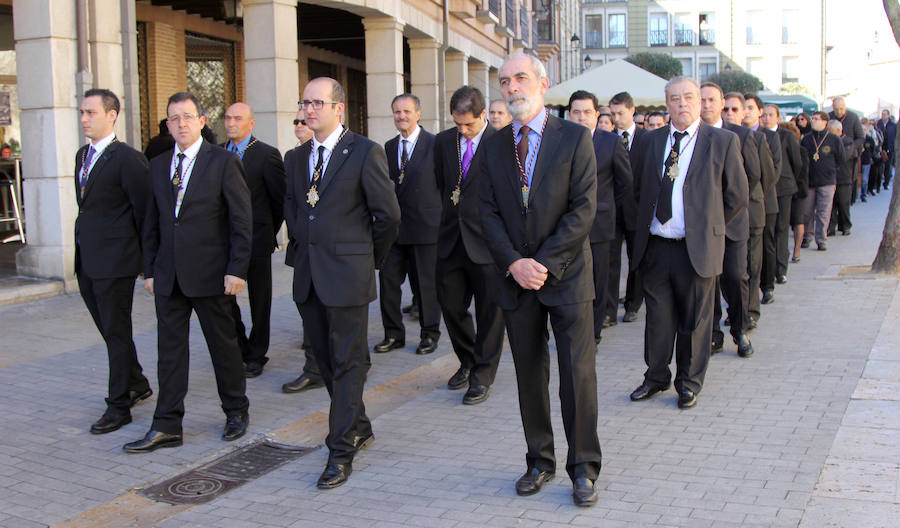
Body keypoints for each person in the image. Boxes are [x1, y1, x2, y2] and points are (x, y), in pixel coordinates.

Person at [478, 53, 601, 507]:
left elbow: (583, 209)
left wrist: (542, 263)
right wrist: (514, 263)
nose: (512, 87)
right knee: (530, 375)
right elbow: (483, 212)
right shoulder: (493, 145)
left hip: (566, 278)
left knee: (577, 376)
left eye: (521, 78)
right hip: (516, 282)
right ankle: (539, 461)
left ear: (543, 83)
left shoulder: (574, 138)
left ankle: (584, 468)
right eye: (505, 80)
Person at [284, 77, 400, 489]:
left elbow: (387, 216)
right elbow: (294, 210)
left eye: (318, 103)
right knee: (327, 361)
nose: (310, 109)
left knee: (348, 360)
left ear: (339, 108)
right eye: (305, 102)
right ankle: (360, 424)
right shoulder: (295, 158)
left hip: (348, 276)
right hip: (310, 277)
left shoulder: (364, 152)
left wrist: (368, 260)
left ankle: (340, 449)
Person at [126, 91, 252, 453]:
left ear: (201, 121)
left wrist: (237, 269)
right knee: (170, 353)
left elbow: (241, 221)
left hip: (212, 274)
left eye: (187, 116)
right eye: (173, 118)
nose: (180, 123)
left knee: (222, 347)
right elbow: (151, 221)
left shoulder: (222, 162)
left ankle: (236, 410)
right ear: (167, 125)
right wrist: (149, 270)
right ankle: (167, 425)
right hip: (168, 276)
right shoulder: (158, 164)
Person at [629, 76, 747, 410]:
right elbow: (637, 189)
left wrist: (707, 225)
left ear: (701, 102)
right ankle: (655, 377)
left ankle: (689, 383)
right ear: (666, 103)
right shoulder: (650, 141)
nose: (682, 104)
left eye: (689, 98)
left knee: (695, 320)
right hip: (656, 245)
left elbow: (736, 195)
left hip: (696, 248)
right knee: (658, 318)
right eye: (675, 98)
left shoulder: (721, 141)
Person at [75, 88, 153, 435]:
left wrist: (146, 265)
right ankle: (136, 382)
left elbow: (145, 215)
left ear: (112, 115)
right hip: (88, 261)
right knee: (109, 331)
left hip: (116, 263)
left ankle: (118, 405)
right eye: (82, 112)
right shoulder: (83, 155)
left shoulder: (128, 159)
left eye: (91, 112)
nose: (84, 119)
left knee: (117, 332)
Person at [434, 86, 504, 405]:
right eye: (457, 124)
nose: (461, 130)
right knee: (450, 304)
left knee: (490, 313)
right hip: (451, 240)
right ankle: (468, 359)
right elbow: (441, 185)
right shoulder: (443, 142)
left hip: (488, 245)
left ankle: (482, 375)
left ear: (483, 115)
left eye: (468, 125)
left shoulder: (502, 145)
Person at [222, 102, 286, 378]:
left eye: (238, 118)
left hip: (257, 239)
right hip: (223, 242)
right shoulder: (217, 153)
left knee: (260, 299)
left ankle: (257, 353)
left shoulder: (266, 155)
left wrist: (267, 232)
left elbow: (278, 200)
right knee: (225, 298)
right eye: (227, 118)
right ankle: (240, 347)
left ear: (251, 123)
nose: (231, 123)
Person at [375, 94, 441, 356]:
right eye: (396, 112)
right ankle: (393, 334)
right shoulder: (388, 147)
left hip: (426, 229)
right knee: (388, 284)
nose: (401, 116)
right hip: (394, 231)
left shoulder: (435, 145)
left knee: (425, 285)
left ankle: (429, 334)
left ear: (418, 113)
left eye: (406, 111)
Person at [568, 90, 633, 346]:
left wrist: (606, 209)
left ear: (596, 115)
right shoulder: (559, 141)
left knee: (597, 282)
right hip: (565, 226)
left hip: (600, 226)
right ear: (569, 114)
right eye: (576, 112)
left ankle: (593, 334)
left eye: (587, 112)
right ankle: (573, 329)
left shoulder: (611, 142)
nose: (582, 117)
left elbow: (625, 184)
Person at [700, 83, 755, 358]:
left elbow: (754, 178)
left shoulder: (741, 135)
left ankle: (740, 328)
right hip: (702, 227)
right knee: (708, 283)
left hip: (732, 222)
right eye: (702, 100)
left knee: (734, 277)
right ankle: (713, 335)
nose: (706, 104)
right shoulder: (691, 136)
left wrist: (725, 215)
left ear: (722, 103)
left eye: (712, 99)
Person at [281, 108, 326, 394]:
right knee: (307, 304)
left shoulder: (343, 154)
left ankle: (357, 361)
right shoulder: (294, 158)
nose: (300, 123)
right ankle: (313, 368)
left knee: (339, 312)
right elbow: (288, 199)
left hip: (333, 250)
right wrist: (297, 230)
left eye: (304, 120)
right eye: (296, 120)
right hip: (303, 247)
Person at [725, 93, 775, 331]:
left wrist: (750, 200)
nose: (730, 113)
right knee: (730, 270)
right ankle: (735, 311)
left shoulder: (753, 138)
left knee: (751, 266)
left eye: (735, 109)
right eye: (727, 109)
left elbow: (763, 176)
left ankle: (751, 311)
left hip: (751, 211)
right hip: (724, 216)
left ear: (744, 112)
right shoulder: (716, 137)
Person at [608, 91, 644, 326]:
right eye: (612, 113)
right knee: (610, 262)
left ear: (632, 111)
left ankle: (633, 303)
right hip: (610, 212)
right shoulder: (606, 138)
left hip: (638, 210)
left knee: (636, 259)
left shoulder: (647, 139)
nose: (616, 118)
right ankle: (609, 310)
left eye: (620, 113)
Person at [743, 94, 781, 309]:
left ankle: (767, 286)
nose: (746, 111)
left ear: (758, 111)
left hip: (763, 200)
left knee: (765, 246)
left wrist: (756, 193)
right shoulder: (732, 134)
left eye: (750, 107)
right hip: (741, 206)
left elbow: (772, 172)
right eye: (744, 107)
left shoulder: (769, 136)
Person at [761, 105, 801, 285]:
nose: (767, 118)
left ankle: (781, 268)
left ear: (778, 118)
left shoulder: (786, 136)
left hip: (783, 188)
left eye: (771, 115)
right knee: (767, 231)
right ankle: (768, 268)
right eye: (765, 115)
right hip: (764, 191)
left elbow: (797, 162)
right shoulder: (756, 135)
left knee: (781, 229)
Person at [801, 111, 844, 251]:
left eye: (816, 119)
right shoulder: (807, 139)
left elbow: (840, 159)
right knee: (807, 211)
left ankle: (821, 239)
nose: (813, 121)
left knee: (823, 212)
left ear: (825, 122)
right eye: (812, 118)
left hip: (827, 181)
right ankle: (807, 236)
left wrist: (831, 171)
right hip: (809, 181)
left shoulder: (834, 139)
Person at [781, 121, 809, 263]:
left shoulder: (801, 150)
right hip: (784, 190)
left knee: (798, 220)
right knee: (784, 222)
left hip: (798, 189)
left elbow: (801, 170)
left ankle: (797, 249)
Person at [829, 97, 864, 197]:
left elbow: (860, 138)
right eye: (836, 109)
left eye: (841, 108)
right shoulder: (829, 116)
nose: (839, 111)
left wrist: (851, 147)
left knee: (844, 196)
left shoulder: (853, 117)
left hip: (848, 158)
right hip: (832, 156)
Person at [827, 119, 854, 236]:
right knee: (831, 205)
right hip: (830, 177)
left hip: (844, 176)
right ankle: (831, 227)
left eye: (830, 131)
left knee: (843, 203)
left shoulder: (848, 142)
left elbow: (844, 156)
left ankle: (846, 225)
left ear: (838, 131)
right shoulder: (828, 141)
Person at [877, 109, 896, 188]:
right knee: (879, 166)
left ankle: (886, 183)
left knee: (888, 166)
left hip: (890, 147)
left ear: (888, 115)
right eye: (882, 114)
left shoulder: (893, 125)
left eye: (885, 114)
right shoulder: (879, 123)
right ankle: (877, 184)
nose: (883, 116)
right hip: (880, 147)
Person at [860, 119, 874, 203]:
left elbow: (873, 149)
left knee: (864, 179)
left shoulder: (870, 139)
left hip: (866, 161)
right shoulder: (858, 138)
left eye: (864, 130)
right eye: (862, 130)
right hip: (858, 161)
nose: (863, 131)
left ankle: (863, 195)